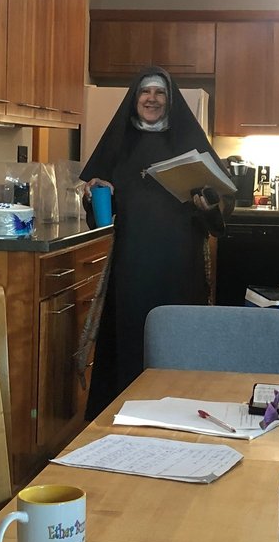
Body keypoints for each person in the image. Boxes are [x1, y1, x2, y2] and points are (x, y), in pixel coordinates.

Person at [80, 67, 231, 414]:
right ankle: (125, 411)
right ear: (135, 100)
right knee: (130, 335)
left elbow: (221, 208)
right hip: (131, 263)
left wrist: (207, 204)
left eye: (159, 93)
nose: (151, 99)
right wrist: (94, 195)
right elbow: (100, 211)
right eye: (145, 92)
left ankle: (179, 409)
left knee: (177, 336)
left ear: (170, 100)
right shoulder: (119, 144)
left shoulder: (187, 140)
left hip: (181, 262)